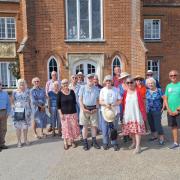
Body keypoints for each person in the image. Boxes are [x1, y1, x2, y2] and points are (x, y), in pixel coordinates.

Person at [122, 77, 146, 154]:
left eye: (131, 82)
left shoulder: (137, 92)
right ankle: (133, 143)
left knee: (137, 131)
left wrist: (143, 115)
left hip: (136, 114)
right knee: (131, 131)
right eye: (128, 83)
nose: (129, 84)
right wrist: (123, 114)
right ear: (126, 84)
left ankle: (138, 146)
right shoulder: (125, 92)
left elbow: (142, 104)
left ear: (134, 83)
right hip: (128, 114)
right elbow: (123, 104)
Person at [99, 75, 121, 151]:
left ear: (112, 82)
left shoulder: (116, 89)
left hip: (115, 112)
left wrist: (114, 104)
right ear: (105, 82)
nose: (108, 82)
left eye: (109, 81)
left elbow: (119, 100)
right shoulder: (102, 90)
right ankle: (105, 142)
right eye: (107, 81)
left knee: (114, 128)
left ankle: (114, 142)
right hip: (105, 112)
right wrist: (106, 104)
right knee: (104, 128)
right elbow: (100, 101)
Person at [79, 74, 100, 151]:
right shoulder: (82, 88)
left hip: (94, 109)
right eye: (89, 78)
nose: (90, 80)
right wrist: (83, 109)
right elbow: (80, 99)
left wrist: (97, 108)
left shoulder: (96, 88)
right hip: (84, 109)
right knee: (84, 126)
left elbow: (97, 99)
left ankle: (94, 142)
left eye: (92, 78)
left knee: (93, 126)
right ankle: (85, 143)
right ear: (86, 79)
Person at [57, 79, 80, 150]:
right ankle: (65, 142)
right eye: (63, 83)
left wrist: (76, 113)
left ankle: (72, 141)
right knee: (65, 129)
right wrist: (60, 114)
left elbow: (74, 102)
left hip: (73, 113)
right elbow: (58, 106)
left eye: (66, 83)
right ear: (61, 85)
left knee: (73, 128)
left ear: (68, 83)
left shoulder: (72, 92)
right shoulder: (59, 93)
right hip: (64, 115)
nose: (65, 84)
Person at [12, 79, 32, 147]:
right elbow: (12, 101)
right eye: (20, 83)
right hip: (19, 109)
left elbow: (29, 100)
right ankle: (19, 141)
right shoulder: (15, 91)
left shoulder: (28, 91)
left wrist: (30, 109)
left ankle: (25, 139)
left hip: (27, 109)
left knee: (25, 126)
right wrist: (14, 107)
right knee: (18, 127)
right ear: (18, 84)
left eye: (23, 83)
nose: (22, 85)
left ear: (25, 84)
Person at [164, 70, 180, 149]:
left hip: (179, 111)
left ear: (177, 75)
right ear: (169, 77)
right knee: (174, 127)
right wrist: (169, 109)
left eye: (175, 75)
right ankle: (176, 143)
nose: (173, 77)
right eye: (171, 75)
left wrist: (178, 110)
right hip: (170, 111)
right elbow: (165, 99)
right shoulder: (168, 86)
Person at [146, 78, 165, 145]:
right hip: (148, 110)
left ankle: (161, 137)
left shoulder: (159, 90)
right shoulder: (147, 91)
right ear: (147, 84)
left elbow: (164, 99)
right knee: (151, 124)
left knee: (158, 124)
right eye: (149, 83)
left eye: (152, 83)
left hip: (157, 110)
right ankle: (154, 136)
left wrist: (163, 107)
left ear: (154, 83)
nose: (150, 84)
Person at [0, 80, 11, 152]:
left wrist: (7, 113)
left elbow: (8, 104)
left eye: (0, 84)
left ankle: (2, 144)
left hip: (4, 112)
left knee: (4, 129)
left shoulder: (5, 93)